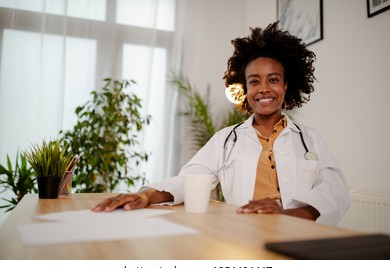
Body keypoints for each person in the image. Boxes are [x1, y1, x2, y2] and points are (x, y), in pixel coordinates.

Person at [92, 22, 350, 226]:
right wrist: (145, 196)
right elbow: (190, 180)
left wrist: (287, 214)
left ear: (285, 85)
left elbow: (334, 191)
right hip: (242, 232)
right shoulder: (226, 139)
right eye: (254, 81)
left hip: (297, 234)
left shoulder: (311, 139)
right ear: (246, 88)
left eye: (273, 79)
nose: (264, 89)